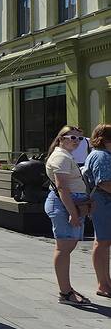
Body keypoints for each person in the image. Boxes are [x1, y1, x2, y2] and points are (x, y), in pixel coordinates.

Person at [45, 125, 91, 305]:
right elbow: (62, 187)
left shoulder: (65, 155)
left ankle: (67, 289)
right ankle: (65, 293)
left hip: (69, 205)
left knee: (67, 247)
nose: (76, 141)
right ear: (61, 139)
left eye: (80, 138)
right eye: (72, 137)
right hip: (64, 206)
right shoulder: (61, 157)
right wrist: (73, 213)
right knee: (63, 248)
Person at [83, 124, 111, 298]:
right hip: (103, 202)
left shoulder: (98, 154)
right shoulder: (102, 156)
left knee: (103, 242)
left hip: (101, 202)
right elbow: (104, 183)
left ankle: (106, 281)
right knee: (102, 242)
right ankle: (103, 284)